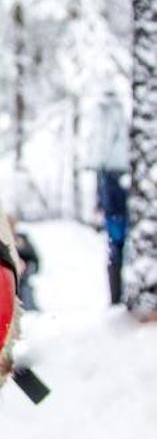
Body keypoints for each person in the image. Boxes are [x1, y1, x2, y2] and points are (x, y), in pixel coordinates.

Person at [91, 88, 130, 307]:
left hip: (117, 201)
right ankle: (117, 298)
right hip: (115, 202)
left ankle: (118, 297)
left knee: (117, 247)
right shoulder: (111, 132)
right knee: (117, 247)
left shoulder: (114, 131)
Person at [13, 225, 40, 312]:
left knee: (24, 285)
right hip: (14, 271)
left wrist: (26, 266)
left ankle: (28, 305)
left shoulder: (22, 239)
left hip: (25, 270)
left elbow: (34, 259)